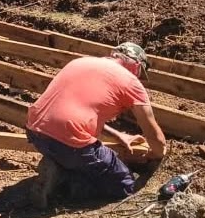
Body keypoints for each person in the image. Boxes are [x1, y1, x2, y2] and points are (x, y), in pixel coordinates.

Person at [25, 42, 166, 204]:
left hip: (35, 132)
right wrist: (158, 154)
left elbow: (74, 111)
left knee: (72, 154)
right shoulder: (131, 82)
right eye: (140, 74)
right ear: (137, 66)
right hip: (69, 146)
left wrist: (118, 135)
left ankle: (58, 165)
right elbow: (154, 135)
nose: (139, 78)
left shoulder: (80, 62)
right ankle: (63, 183)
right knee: (124, 185)